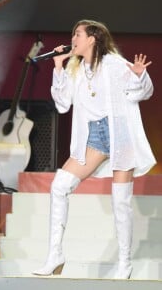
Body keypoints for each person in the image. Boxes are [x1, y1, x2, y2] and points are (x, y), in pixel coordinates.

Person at [32, 19, 156, 279]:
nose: (73, 39)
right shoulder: (76, 68)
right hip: (95, 138)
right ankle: (55, 254)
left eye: (77, 34)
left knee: (120, 202)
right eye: (73, 34)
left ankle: (125, 263)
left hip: (121, 136)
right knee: (59, 186)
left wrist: (138, 75)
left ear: (93, 38)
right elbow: (63, 103)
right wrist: (58, 66)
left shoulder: (113, 63)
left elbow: (141, 93)